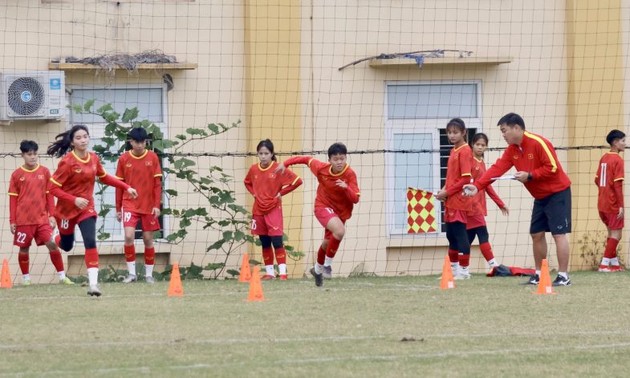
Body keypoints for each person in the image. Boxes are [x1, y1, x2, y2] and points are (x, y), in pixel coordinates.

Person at [463, 113, 572, 286]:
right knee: (536, 234)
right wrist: (477, 186)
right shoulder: (512, 150)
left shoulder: (538, 142)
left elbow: (552, 167)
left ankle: (563, 276)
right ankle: (538, 274)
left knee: (559, 234)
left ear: (517, 128)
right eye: (502, 132)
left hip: (558, 193)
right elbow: (497, 169)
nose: (503, 135)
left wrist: (530, 175)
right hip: (540, 196)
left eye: (504, 130)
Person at [48, 125, 138, 297]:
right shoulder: (67, 162)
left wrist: (126, 187)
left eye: (85, 136)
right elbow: (52, 188)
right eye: (78, 138)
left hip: (86, 209)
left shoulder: (94, 158)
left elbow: (104, 177)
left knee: (90, 241)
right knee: (66, 246)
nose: (83, 140)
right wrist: (74, 199)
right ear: (72, 142)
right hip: (66, 210)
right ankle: (56, 237)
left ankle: (94, 285)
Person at [276, 142, 360, 287]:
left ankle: (317, 269)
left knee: (327, 243)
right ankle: (327, 265)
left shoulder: (350, 174)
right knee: (339, 231)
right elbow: (306, 159)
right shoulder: (321, 168)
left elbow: (355, 199)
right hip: (323, 206)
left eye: (342, 158)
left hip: (341, 212)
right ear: (330, 160)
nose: (339, 162)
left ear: (346, 158)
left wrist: (346, 188)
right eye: (336, 159)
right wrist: (286, 163)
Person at [8, 140, 74, 286]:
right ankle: (26, 279)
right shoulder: (16, 174)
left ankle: (62, 277)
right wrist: (12, 221)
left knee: (51, 243)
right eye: (29, 154)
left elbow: (49, 195)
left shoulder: (44, 172)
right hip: (23, 220)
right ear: (23, 155)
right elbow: (13, 199)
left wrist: (52, 215)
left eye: (35, 154)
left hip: (42, 219)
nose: (32, 157)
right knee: (24, 248)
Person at [244, 139, 303, 280]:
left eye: (266, 153)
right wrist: (254, 193)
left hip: (273, 209)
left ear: (272, 154)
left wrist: (280, 193)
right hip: (258, 209)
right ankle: (270, 273)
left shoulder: (278, 168)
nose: (263, 156)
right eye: (260, 153)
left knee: (277, 241)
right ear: (258, 154)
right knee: (264, 242)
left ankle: (283, 272)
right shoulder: (253, 169)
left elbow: (297, 181)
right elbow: (247, 182)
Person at [115, 127, 163, 284]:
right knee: (129, 236)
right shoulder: (123, 159)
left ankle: (149, 275)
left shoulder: (153, 157)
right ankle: (132, 274)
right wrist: (118, 208)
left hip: (148, 206)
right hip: (129, 204)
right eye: (137, 142)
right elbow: (119, 185)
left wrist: (157, 205)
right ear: (131, 142)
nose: (140, 145)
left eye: (143, 142)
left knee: (148, 239)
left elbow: (157, 184)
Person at [435, 118, 474, 279]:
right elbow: (451, 176)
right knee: (450, 235)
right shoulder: (453, 150)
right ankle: (453, 270)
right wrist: (443, 191)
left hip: (460, 200)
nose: (452, 135)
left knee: (460, 234)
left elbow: (465, 179)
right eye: (449, 132)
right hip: (450, 200)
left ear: (464, 132)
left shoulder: (465, 151)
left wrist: (448, 192)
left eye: (455, 132)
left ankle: (464, 271)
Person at [468, 133, 509, 270]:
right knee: (482, 233)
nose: (480, 147)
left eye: (483, 145)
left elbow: (487, 185)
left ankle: (457, 266)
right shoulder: (469, 161)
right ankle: (493, 265)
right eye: (477, 144)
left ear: (486, 147)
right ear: (472, 145)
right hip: (471, 206)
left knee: (467, 238)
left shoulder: (481, 163)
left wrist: (500, 203)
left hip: (477, 206)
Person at [594, 129, 626, 272]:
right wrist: (620, 205)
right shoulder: (617, 159)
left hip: (601, 202)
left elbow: (596, 180)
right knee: (616, 234)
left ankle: (614, 264)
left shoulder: (604, 158)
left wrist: (604, 191)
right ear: (615, 142)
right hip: (612, 203)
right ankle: (604, 265)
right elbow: (617, 184)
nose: (625, 144)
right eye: (623, 141)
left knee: (611, 233)